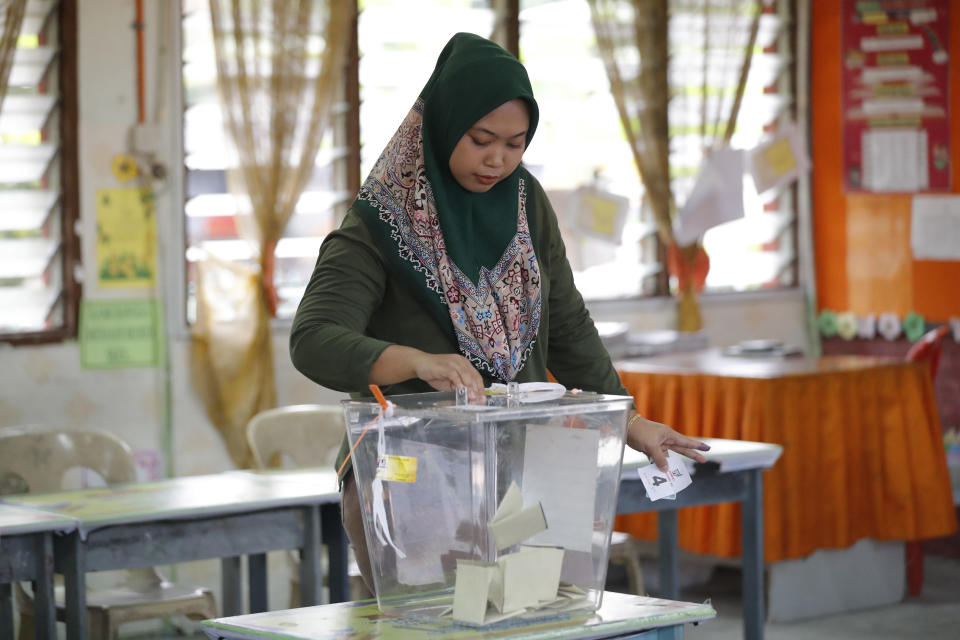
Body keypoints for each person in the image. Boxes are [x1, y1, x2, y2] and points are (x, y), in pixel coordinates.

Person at [290, 32, 709, 591]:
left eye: (515, 144)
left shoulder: (524, 201)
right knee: (435, 628)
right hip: (414, 477)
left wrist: (631, 423)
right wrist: (415, 361)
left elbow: (565, 324)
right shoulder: (378, 221)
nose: (497, 159)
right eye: (481, 139)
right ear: (441, 125)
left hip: (526, 466)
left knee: (536, 619)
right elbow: (314, 337)